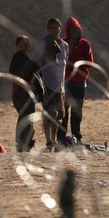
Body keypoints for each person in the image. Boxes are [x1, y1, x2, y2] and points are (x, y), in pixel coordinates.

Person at [32, 18, 69, 151]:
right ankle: (49, 141)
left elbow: (64, 64)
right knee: (49, 114)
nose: (54, 30)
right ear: (48, 29)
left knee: (59, 115)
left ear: (60, 29)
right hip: (47, 85)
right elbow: (36, 62)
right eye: (51, 28)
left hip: (60, 86)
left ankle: (53, 139)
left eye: (56, 27)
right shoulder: (42, 44)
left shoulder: (65, 45)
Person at [58, 16, 94, 145]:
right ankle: (61, 137)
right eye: (72, 30)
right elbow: (60, 62)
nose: (74, 32)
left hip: (80, 83)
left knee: (77, 112)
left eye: (76, 30)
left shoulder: (85, 44)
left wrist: (77, 64)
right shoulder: (63, 43)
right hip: (66, 83)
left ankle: (76, 136)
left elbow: (90, 62)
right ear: (68, 31)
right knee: (64, 112)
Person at [9, 35, 40, 152]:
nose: (24, 47)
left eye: (26, 45)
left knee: (27, 117)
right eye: (21, 45)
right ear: (17, 46)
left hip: (26, 93)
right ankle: (23, 143)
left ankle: (26, 142)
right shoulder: (18, 57)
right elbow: (17, 73)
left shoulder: (26, 58)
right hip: (20, 93)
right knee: (25, 117)